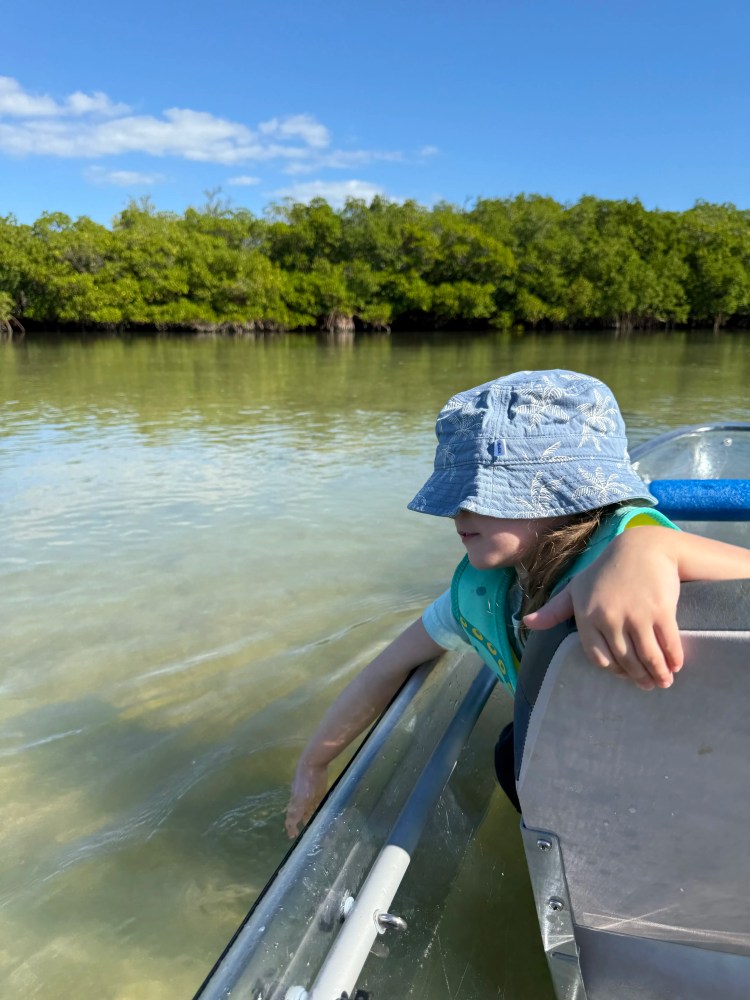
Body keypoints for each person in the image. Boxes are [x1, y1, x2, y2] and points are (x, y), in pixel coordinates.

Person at [285, 370, 750, 837]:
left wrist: (652, 548)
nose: (457, 510)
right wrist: (314, 763)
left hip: (700, 788)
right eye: (455, 489)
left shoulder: (638, 565)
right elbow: (387, 667)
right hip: (589, 796)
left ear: (574, 495)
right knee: (510, 754)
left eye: (485, 491)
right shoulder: (486, 591)